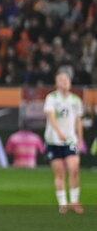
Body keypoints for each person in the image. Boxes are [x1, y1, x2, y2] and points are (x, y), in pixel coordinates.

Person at [44, 70, 84, 213]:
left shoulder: (76, 100)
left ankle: (74, 201)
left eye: (66, 79)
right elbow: (51, 116)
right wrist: (59, 132)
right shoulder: (51, 98)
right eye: (61, 79)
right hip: (53, 140)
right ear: (56, 83)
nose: (64, 81)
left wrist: (80, 138)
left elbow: (78, 120)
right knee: (60, 172)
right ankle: (63, 202)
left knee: (74, 169)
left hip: (70, 140)